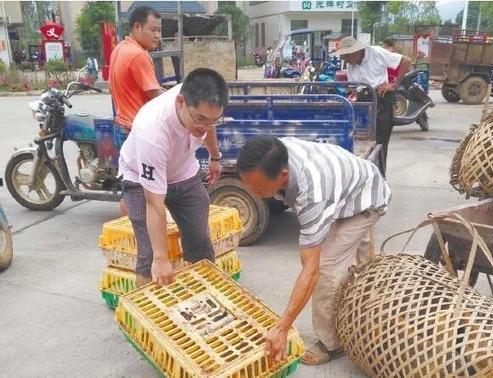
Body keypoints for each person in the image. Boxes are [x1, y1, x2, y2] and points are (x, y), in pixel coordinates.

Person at [236, 136, 391, 365]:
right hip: (351, 183)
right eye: (248, 185)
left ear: (283, 176)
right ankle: (365, 307)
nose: (253, 193)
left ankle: (332, 344)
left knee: (326, 268)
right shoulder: (273, 152)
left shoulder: (311, 194)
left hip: (367, 199)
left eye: (258, 189)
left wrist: (282, 327)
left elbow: (311, 270)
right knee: (359, 264)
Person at [118, 68, 227, 287]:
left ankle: (204, 300)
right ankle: (148, 316)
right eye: (200, 119)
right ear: (180, 103)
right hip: (140, 181)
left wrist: (215, 157)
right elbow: (154, 204)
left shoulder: (202, 108)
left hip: (184, 174)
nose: (204, 126)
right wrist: (161, 259)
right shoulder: (152, 132)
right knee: (149, 255)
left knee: (201, 242)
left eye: (212, 121)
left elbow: (209, 124)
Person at [109, 5, 165, 216]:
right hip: (137, 131)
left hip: (122, 126)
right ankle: (141, 238)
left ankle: (130, 235)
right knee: (147, 193)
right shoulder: (138, 55)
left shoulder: (120, 49)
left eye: (160, 30)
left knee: (130, 189)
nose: (157, 36)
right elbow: (155, 95)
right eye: (153, 30)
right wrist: (183, 101)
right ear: (137, 26)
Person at [336, 36, 412, 176]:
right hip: (364, 101)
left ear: (355, 52)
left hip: (382, 98)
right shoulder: (351, 65)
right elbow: (355, 87)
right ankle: (364, 174)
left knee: (380, 142)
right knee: (361, 140)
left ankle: (380, 176)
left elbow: (406, 61)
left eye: (346, 56)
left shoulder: (376, 53)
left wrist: (394, 85)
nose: (345, 60)